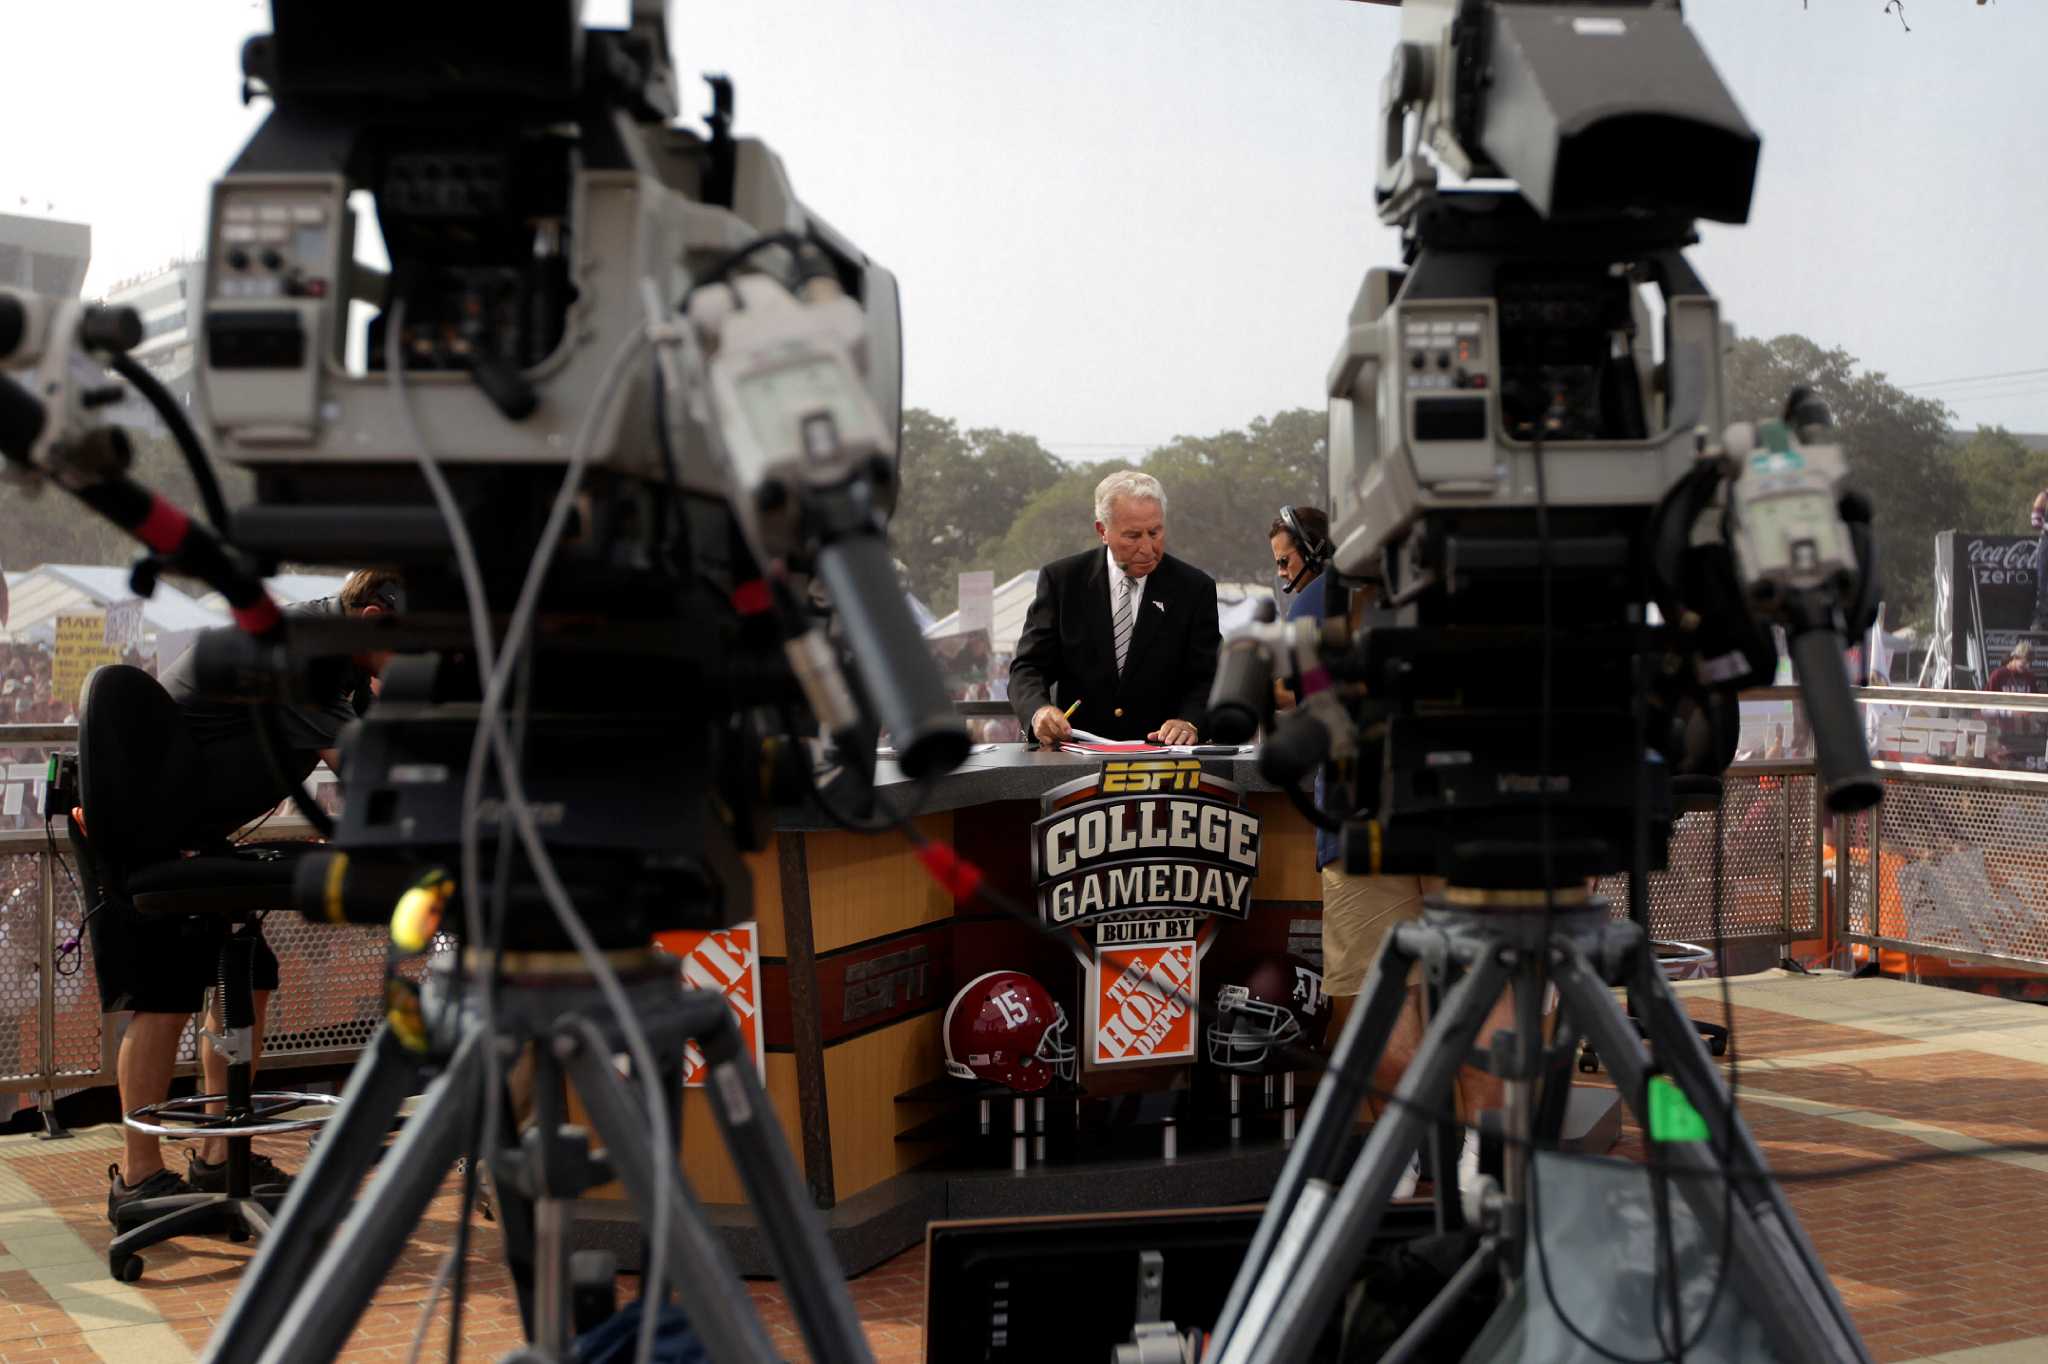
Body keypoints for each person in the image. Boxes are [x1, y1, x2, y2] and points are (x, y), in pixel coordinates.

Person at [94, 568, 400, 1224]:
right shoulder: (301, 653)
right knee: (164, 999)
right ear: (373, 619)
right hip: (150, 837)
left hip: (196, 837)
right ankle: (140, 1179)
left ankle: (214, 1154)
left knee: (248, 976)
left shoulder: (334, 659)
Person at [1269, 506, 1505, 1190]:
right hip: (1364, 820)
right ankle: (1402, 1150)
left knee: (1473, 988)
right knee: (1378, 995)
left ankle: (1474, 1153)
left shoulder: (1475, 574)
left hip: (1456, 814)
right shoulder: (1334, 583)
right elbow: (1290, 682)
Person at [1010, 470, 1221, 746]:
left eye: (1155, 533)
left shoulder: (1194, 588)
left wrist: (1190, 722)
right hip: (1077, 757)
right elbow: (1028, 667)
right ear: (1102, 531)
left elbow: (1209, 675)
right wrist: (1039, 712)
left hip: (1162, 759)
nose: (1147, 547)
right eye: (1133, 536)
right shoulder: (1062, 582)